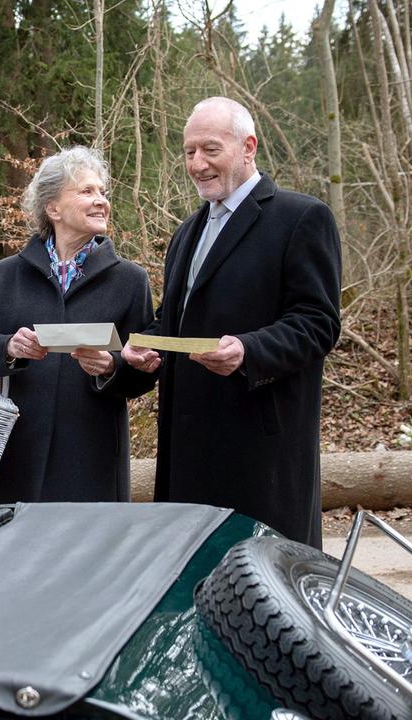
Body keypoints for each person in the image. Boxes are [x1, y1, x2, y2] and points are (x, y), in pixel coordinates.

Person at [121, 97, 341, 548]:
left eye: (210, 149)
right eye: (188, 152)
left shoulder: (300, 217)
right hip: (186, 454)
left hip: (260, 455)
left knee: (263, 595)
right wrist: (143, 349)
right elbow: (175, 323)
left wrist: (248, 351)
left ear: (248, 147)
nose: (197, 163)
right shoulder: (187, 232)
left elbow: (317, 322)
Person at [0, 146, 156, 506]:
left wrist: (113, 365)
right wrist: (8, 348)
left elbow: (147, 370)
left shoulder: (131, 280)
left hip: (92, 459)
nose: (101, 201)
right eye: (86, 191)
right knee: (17, 558)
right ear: (53, 208)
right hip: (18, 454)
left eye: (102, 192)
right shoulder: (7, 275)